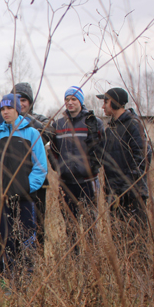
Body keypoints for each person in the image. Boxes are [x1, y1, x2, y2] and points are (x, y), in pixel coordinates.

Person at [0, 94, 48, 277]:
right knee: (7, 239)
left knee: (27, 237)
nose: (5, 112)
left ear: (17, 110)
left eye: (9, 108)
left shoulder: (32, 133)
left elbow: (41, 167)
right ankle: (10, 277)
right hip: (1, 199)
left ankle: (28, 276)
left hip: (25, 198)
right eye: (2, 109)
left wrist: (25, 187)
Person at [50, 86, 104, 233]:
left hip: (88, 181)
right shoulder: (59, 124)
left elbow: (101, 148)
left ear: (80, 101)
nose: (70, 102)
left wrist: (92, 167)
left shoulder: (93, 122)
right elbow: (53, 149)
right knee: (70, 225)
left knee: (90, 225)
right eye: (67, 99)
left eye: (74, 99)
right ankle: (74, 255)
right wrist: (58, 167)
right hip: (66, 183)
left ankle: (91, 255)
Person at [97, 87, 150, 225]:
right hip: (115, 195)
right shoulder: (110, 130)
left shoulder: (133, 124)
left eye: (106, 102)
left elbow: (142, 157)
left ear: (114, 102)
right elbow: (101, 158)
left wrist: (128, 186)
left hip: (132, 195)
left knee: (135, 239)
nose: (103, 106)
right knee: (118, 240)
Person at [11, 82, 54, 249]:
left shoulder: (38, 120)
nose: (21, 103)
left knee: (37, 222)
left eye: (24, 100)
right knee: (15, 223)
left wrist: (25, 123)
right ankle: (19, 262)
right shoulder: (7, 122)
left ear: (30, 102)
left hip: (36, 182)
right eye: (17, 99)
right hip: (13, 181)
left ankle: (37, 260)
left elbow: (48, 132)